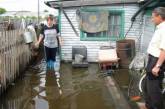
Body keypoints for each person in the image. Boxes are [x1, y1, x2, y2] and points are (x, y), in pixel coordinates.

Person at [143, 7, 165, 109]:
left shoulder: (164, 29)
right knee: (146, 86)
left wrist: (158, 66)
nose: (152, 19)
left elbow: (164, 50)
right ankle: (149, 106)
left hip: (157, 61)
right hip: (152, 59)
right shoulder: (159, 27)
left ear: (159, 17)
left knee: (154, 89)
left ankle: (157, 107)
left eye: (153, 17)